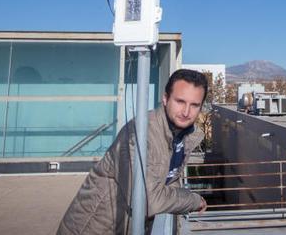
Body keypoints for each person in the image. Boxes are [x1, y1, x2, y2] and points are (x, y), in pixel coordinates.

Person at [57, 69, 209, 234]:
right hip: (93, 228)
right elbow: (147, 201)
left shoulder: (184, 136)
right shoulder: (140, 133)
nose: (186, 112)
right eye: (180, 101)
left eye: (194, 105)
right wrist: (193, 200)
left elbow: (170, 179)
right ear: (165, 99)